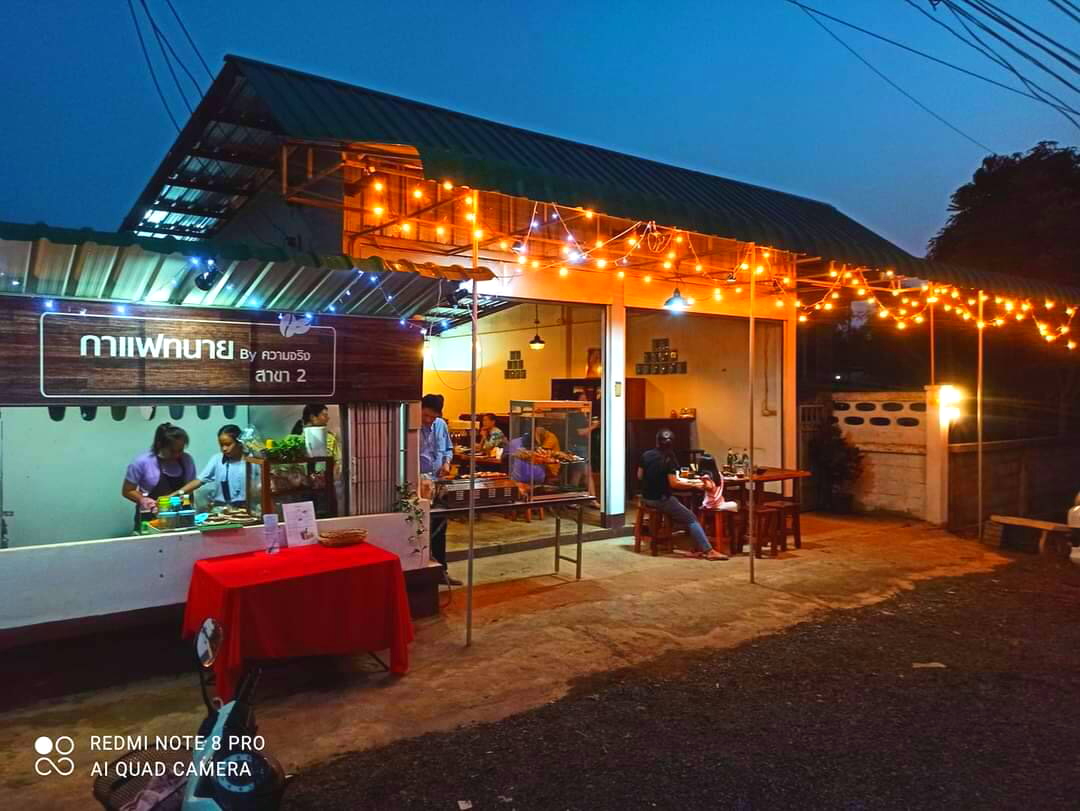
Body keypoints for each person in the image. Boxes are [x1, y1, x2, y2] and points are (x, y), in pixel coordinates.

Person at [638, 429, 727, 560]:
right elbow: (674, 483)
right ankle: (708, 551)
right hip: (661, 499)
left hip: (645, 498)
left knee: (677, 509)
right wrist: (694, 485)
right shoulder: (669, 457)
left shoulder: (646, 455)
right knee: (691, 518)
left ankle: (684, 544)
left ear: (657, 441)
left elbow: (639, 476)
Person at [122, 422, 200, 530]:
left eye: (180, 450)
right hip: (151, 518)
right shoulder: (142, 462)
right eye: (172, 451)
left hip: (181, 518)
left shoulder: (186, 460)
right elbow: (127, 490)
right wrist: (143, 499)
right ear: (160, 445)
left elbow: (191, 487)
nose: (177, 454)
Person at [421, 393, 460, 584]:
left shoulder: (441, 425)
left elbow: (448, 449)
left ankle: (441, 572)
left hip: (438, 482)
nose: (429, 420)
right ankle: (422, 571)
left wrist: (446, 462)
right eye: (426, 415)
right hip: (419, 483)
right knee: (420, 529)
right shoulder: (410, 425)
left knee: (439, 528)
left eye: (433, 417)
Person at [191, 424, 248, 508]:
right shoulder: (217, 459)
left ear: (239, 442)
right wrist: (176, 494)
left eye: (228, 444)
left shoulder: (252, 460)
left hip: (246, 508)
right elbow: (199, 480)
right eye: (221, 445)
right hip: (221, 508)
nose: (224, 449)